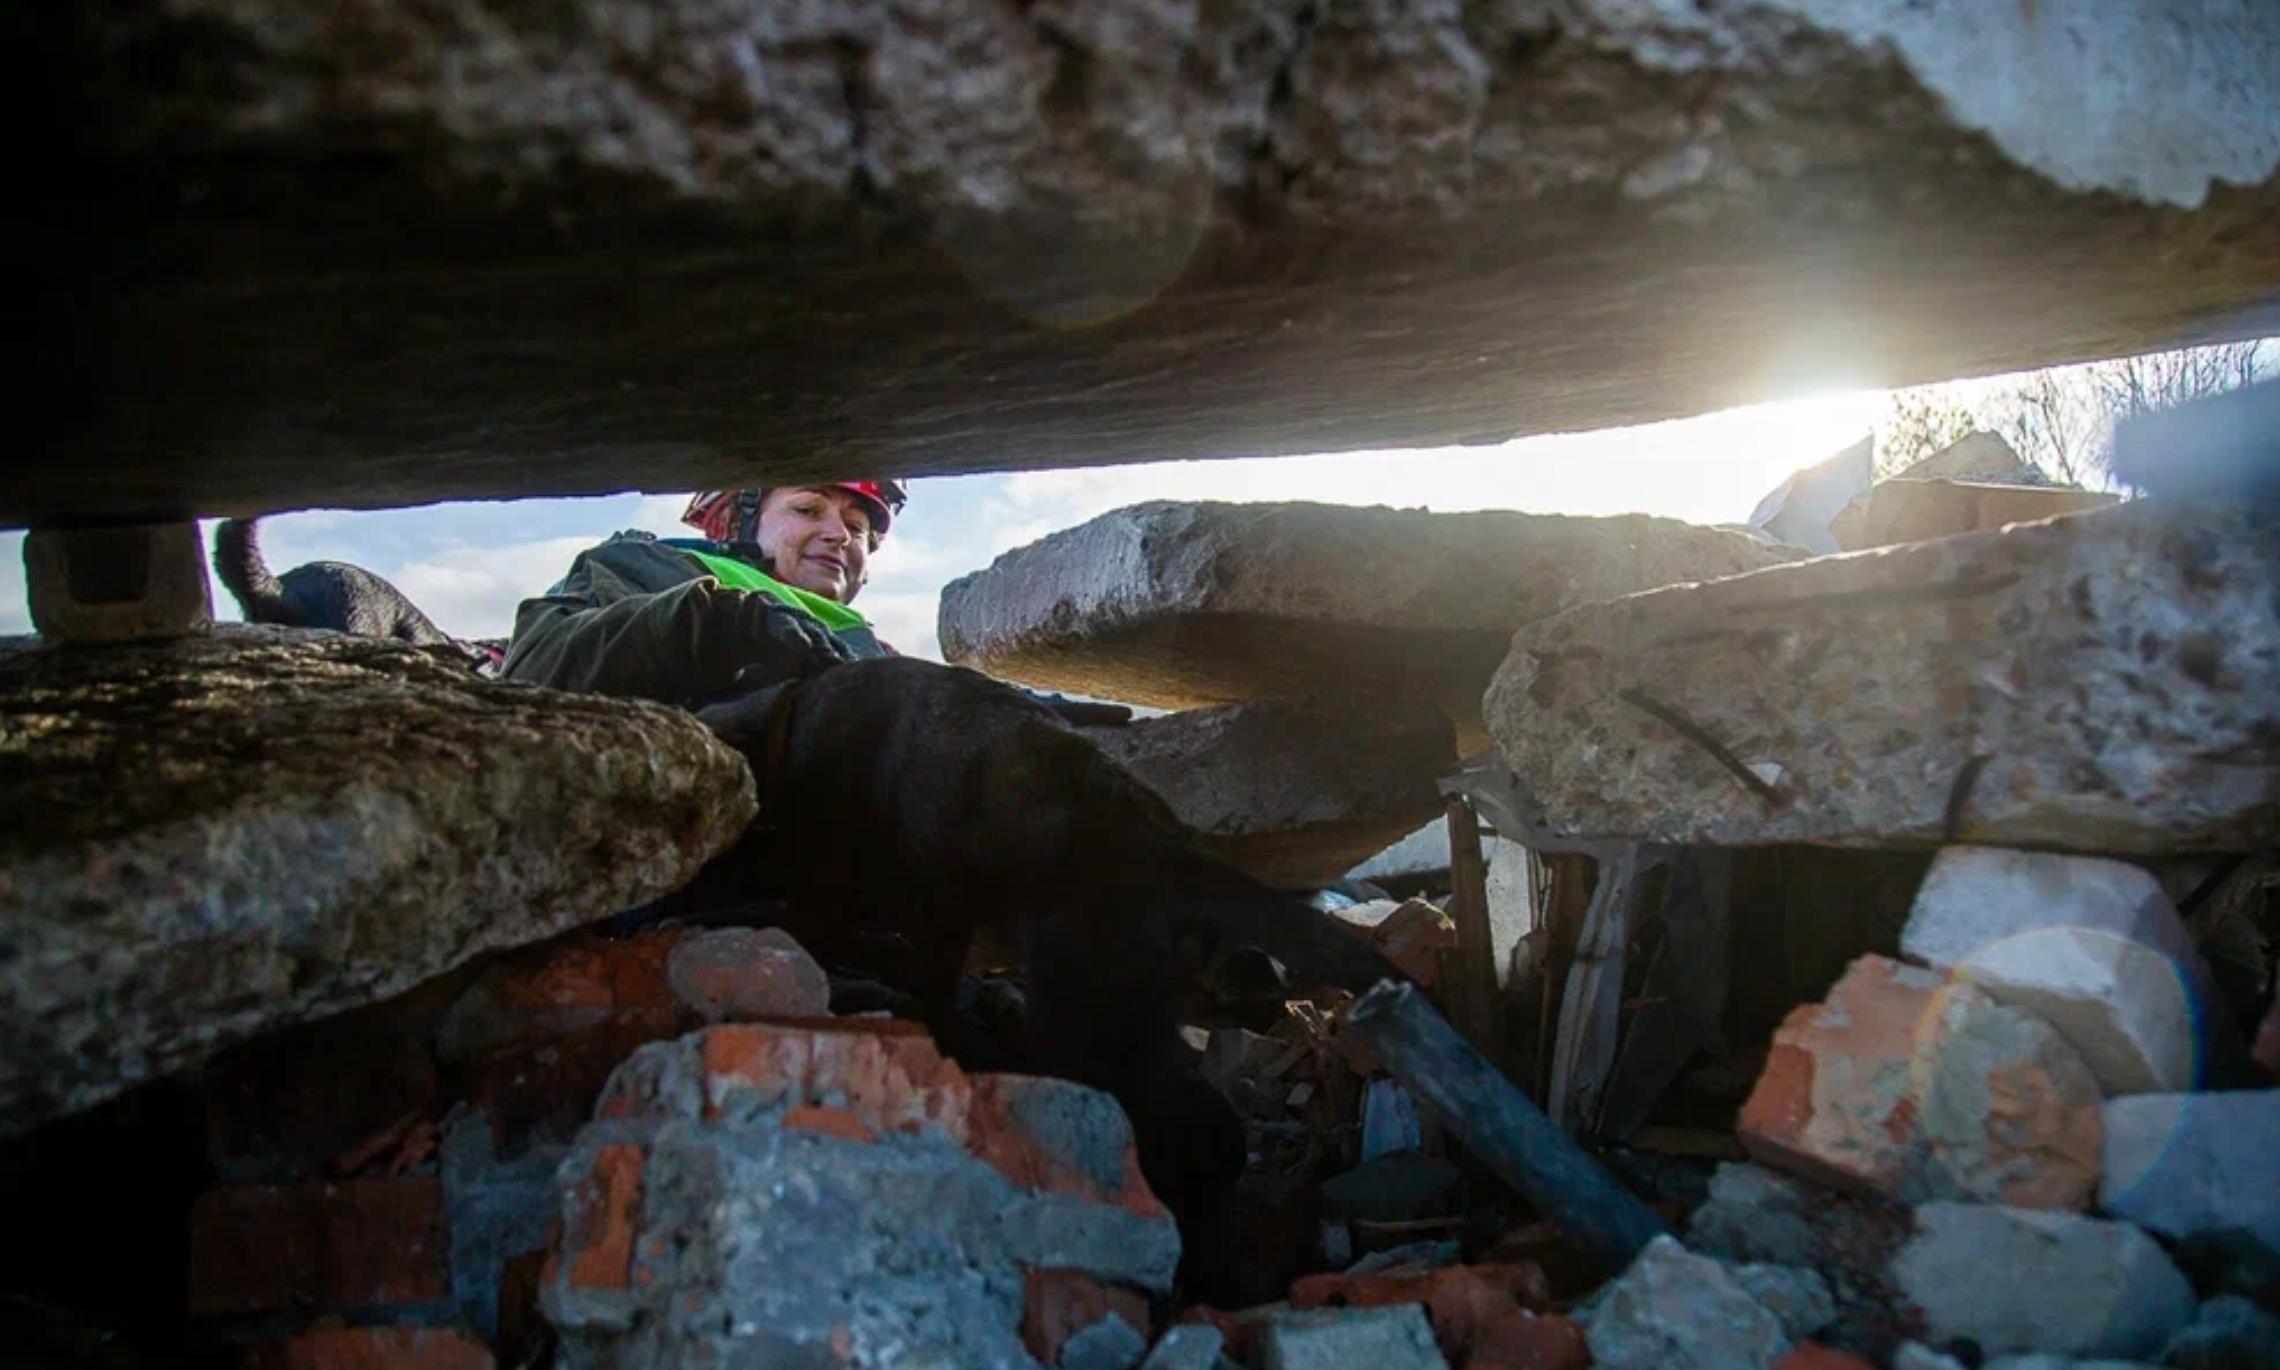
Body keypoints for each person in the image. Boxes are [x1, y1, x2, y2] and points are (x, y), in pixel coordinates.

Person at [501, 482, 903, 703]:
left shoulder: (877, 650)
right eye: (808, 510)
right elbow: (537, 668)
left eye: (856, 527)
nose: (839, 535)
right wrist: (707, 623)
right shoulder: (651, 567)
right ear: (737, 523)